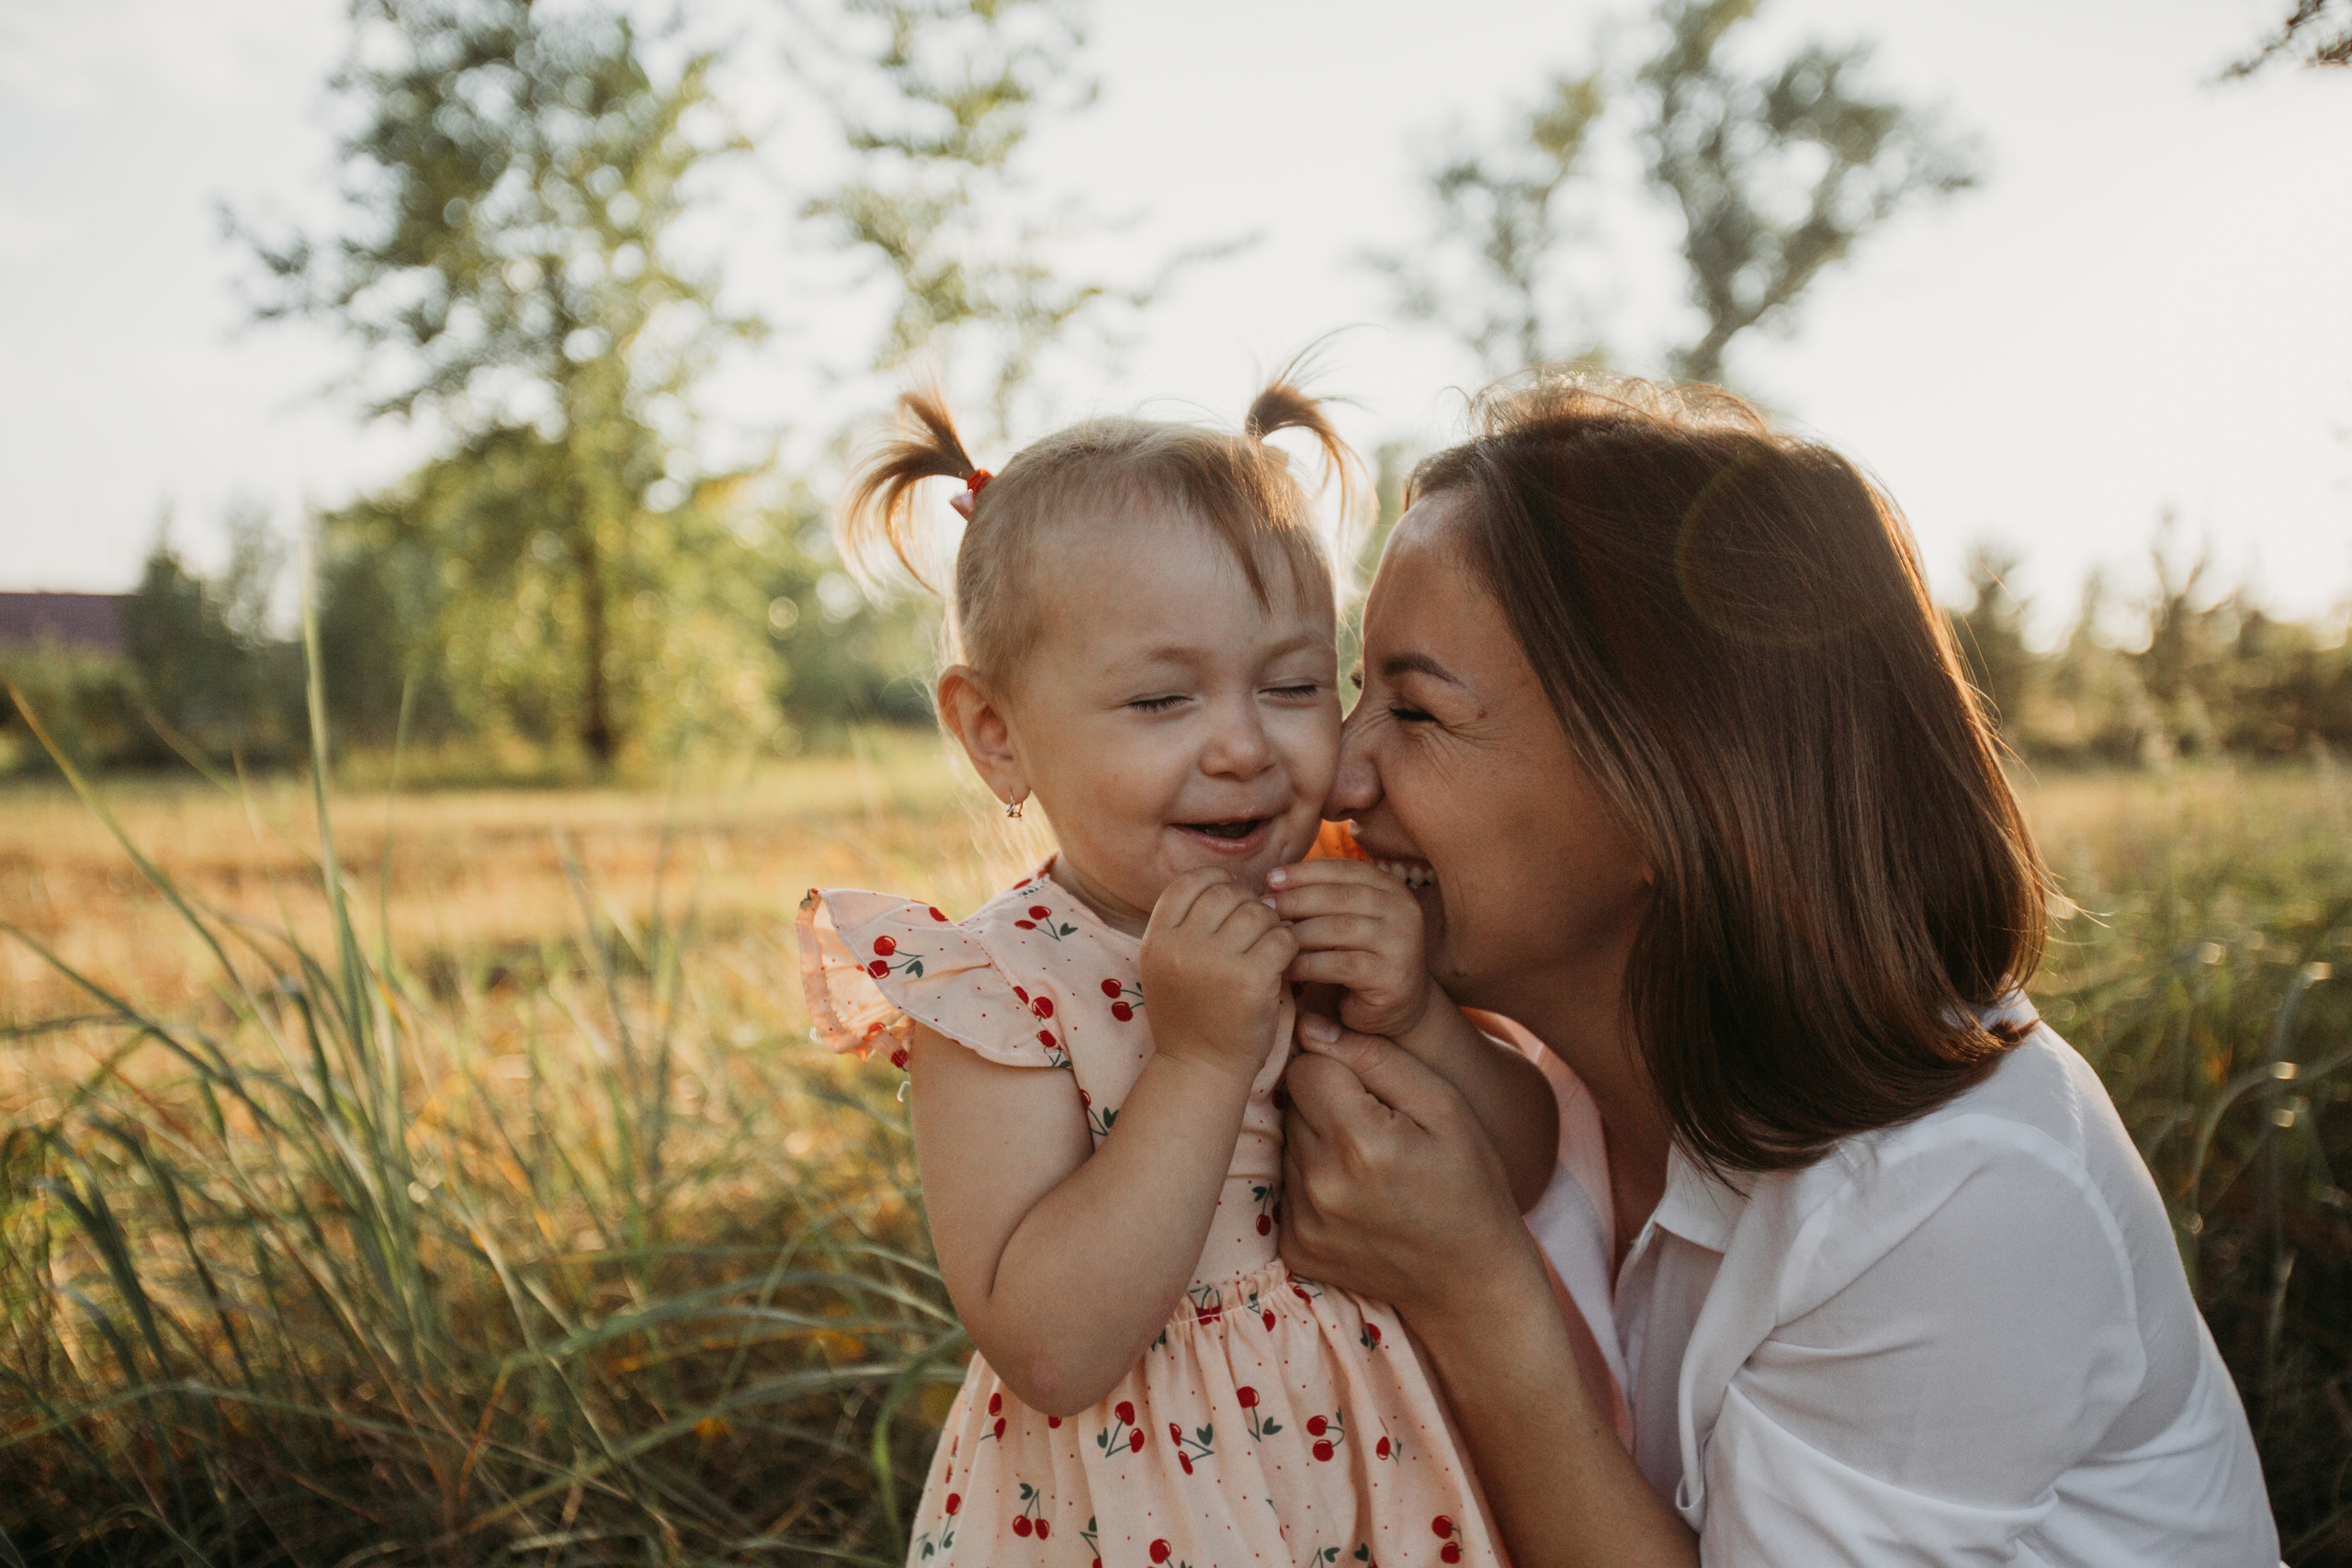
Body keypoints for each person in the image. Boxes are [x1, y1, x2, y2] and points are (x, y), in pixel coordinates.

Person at [1270, 374, 2283, 1568]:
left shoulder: (1954, 1191)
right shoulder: (1519, 1065)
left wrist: (1474, 1297)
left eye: (1416, 712)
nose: (1336, 773)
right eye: (1351, 694)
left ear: (1669, 788)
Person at [797, 373, 1558, 1565]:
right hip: (1136, 1506)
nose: (1246, 744)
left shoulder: (1333, 908)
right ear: (996, 733)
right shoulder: (1002, 989)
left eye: (1296, 685)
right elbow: (1052, 1347)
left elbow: (1520, 1174)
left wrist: (1420, 1018)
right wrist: (1201, 1058)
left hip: (1374, 1478)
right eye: (1161, 698)